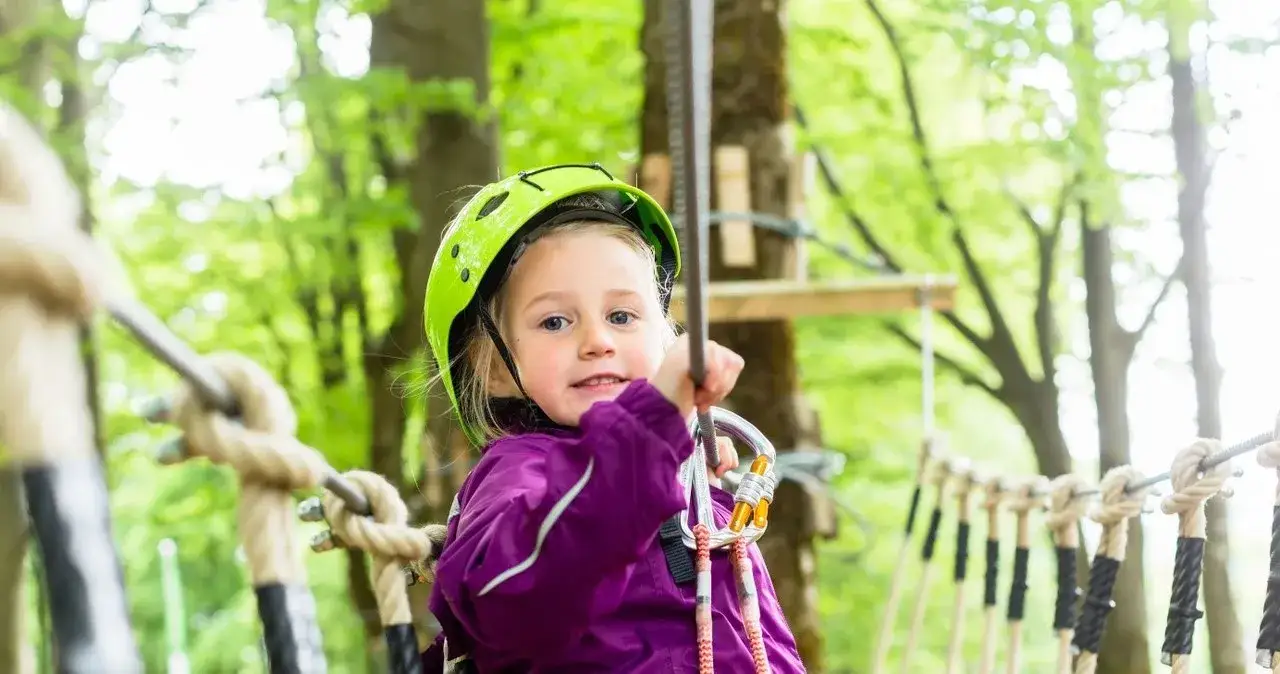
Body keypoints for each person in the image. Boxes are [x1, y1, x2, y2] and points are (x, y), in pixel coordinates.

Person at [418, 163, 805, 673]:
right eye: (555, 321)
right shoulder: (519, 475)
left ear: (662, 335)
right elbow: (515, 599)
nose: (597, 341)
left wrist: (675, 465)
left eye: (621, 316)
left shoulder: (686, 479)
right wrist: (652, 434)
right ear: (494, 368)